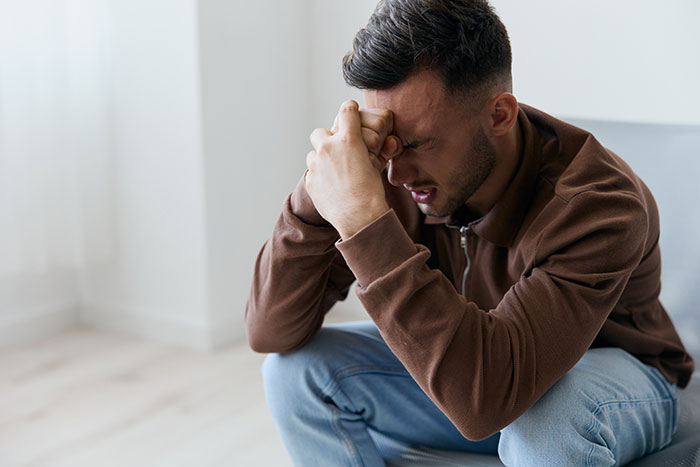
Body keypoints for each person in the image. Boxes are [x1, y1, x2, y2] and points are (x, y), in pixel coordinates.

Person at [245, 0, 695, 465]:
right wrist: (314, 197)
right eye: (385, 141)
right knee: (292, 373)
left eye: (418, 144)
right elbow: (270, 334)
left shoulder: (597, 204)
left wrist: (365, 226)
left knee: (546, 422)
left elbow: (486, 401)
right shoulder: (387, 172)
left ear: (499, 114)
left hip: (611, 383)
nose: (395, 174)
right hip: (468, 376)